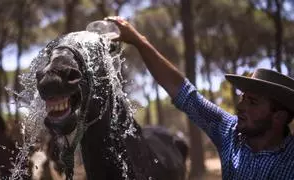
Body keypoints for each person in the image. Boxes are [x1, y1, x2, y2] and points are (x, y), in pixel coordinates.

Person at [105, 16, 294, 179]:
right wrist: (138, 40)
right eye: (243, 97)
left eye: (252, 102)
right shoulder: (231, 133)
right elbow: (184, 92)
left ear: (279, 116)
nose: (240, 106)